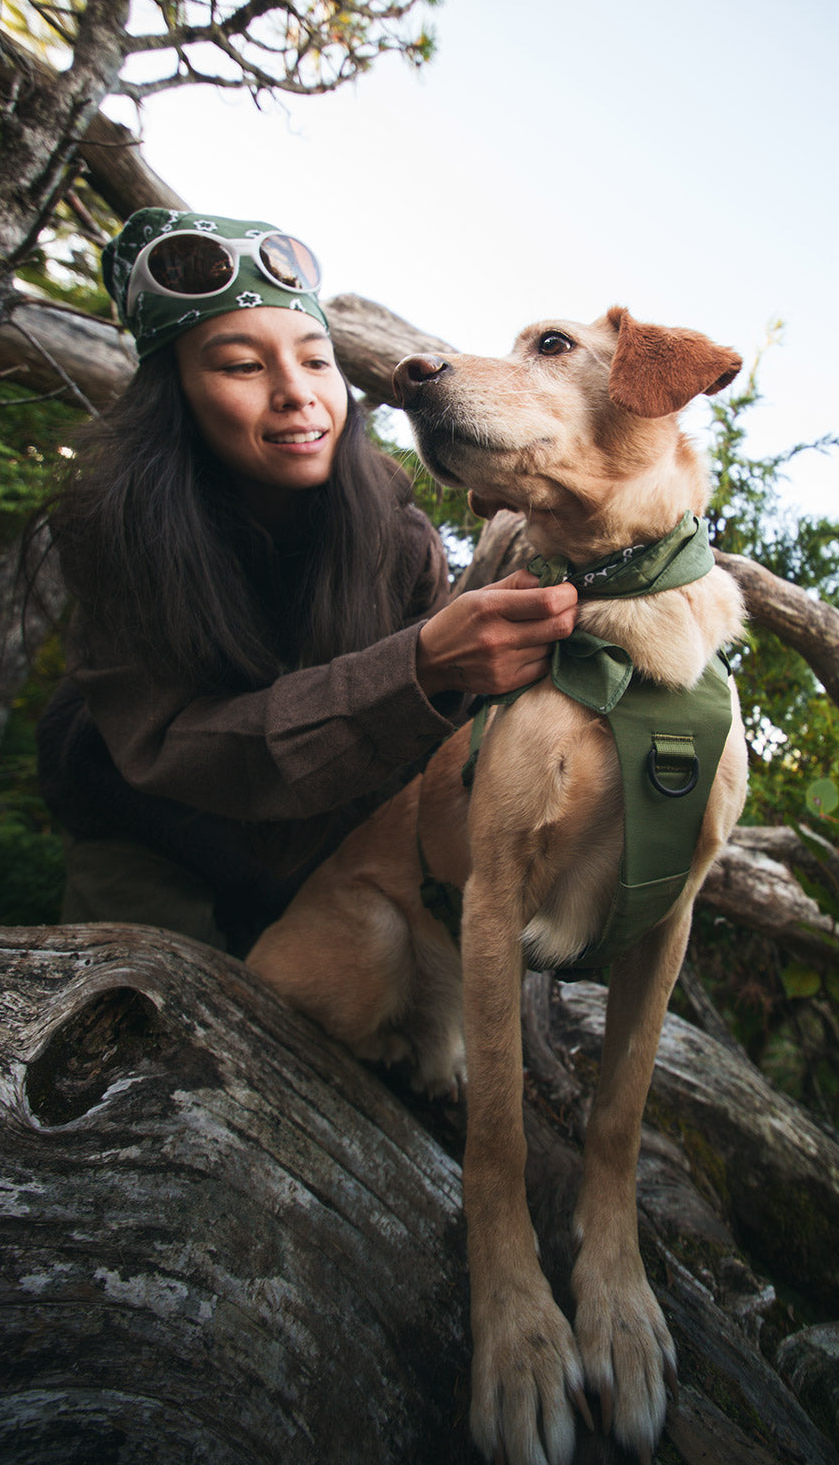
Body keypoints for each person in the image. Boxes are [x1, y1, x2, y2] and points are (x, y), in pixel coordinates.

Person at [36, 208, 577, 956]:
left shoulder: (396, 535)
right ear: (178, 396)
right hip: (148, 840)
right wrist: (415, 666)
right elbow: (174, 751)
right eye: (241, 366)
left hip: (323, 855)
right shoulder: (117, 536)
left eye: (317, 361)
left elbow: (433, 752)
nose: (298, 392)